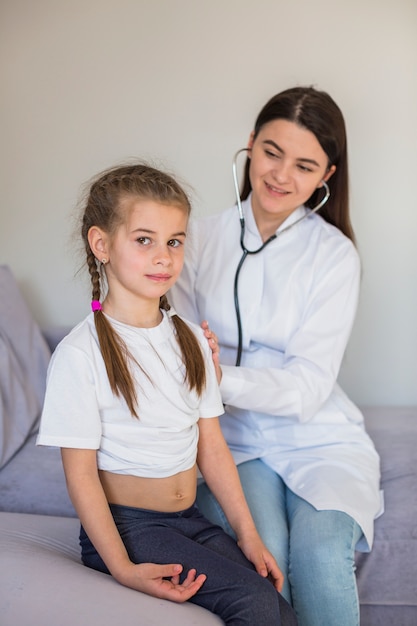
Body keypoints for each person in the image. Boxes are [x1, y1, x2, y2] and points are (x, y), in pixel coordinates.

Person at [36, 163, 297, 626]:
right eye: (144, 239)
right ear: (102, 245)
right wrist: (122, 567)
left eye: (174, 241)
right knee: (252, 605)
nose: (163, 256)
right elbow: (80, 476)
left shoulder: (189, 338)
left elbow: (211, 447)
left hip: (188, 519)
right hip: (129, 527)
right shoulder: (81, 354)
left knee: (277, 603)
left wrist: (249, 536)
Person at [169, 86, 382, 626]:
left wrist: (222, 376)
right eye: (271, 152)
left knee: (317, 556)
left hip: (316, 435)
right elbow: (183, 347)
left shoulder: (334, 255)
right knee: (267, 560)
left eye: (304, 164)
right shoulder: (198, 239)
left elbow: (309, 387)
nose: (281, 175)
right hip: (230, 440)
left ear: (326, 176)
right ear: (250, 145)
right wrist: (209, 378)